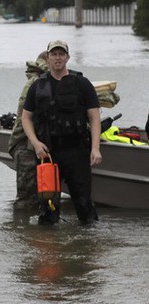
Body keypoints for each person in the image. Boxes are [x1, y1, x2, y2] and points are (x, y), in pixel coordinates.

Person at [21, 40, 101, 225]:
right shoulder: (37, 86)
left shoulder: (82, 83)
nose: (58, 58)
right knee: (48, 207)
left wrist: (95, 148)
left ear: (67, 57)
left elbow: (94, 117)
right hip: (48, 154)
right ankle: (49, 249)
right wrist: (35, 143)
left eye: (61, 54)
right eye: (54, 54)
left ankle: (88, 247)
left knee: (84, 206)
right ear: (47, 58)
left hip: (77, 151)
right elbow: (26, 118)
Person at [7, 52, 49, 211]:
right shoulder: (35, 84)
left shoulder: (41, 82)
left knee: (41, 195)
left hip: (33, 146)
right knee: (26, 199)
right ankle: (21, 230)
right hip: (26, 147)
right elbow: (24, 118)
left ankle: (28, 232)